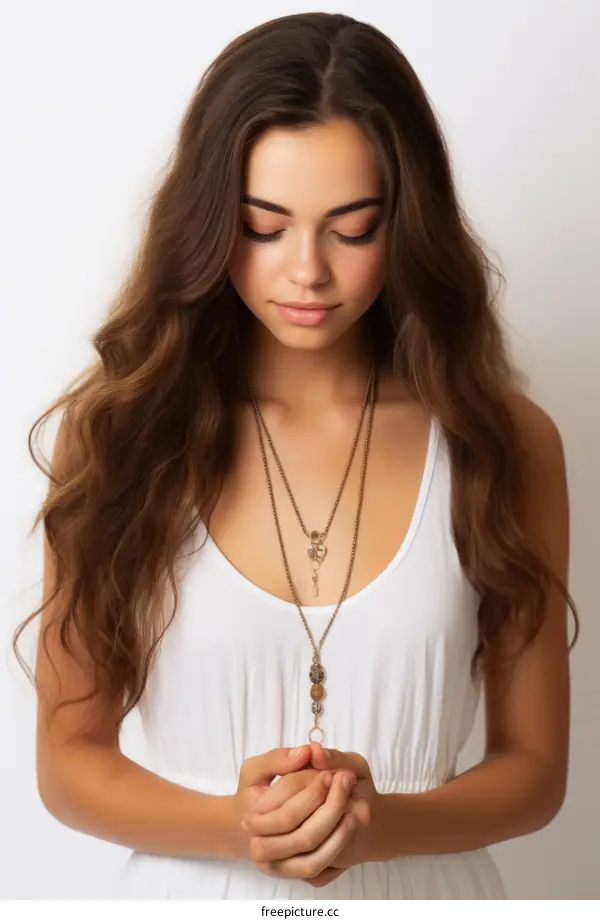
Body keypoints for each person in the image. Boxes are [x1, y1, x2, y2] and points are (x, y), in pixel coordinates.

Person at [13, 11, 578, 900]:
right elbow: (68, 760)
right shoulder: (123, 435)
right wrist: (236, 830)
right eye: (263, 226)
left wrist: (383, 824)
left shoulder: (502, 444)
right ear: (207, 221)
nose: (306, 271)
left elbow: (537, 769)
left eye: (352, 229)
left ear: (409, 222)